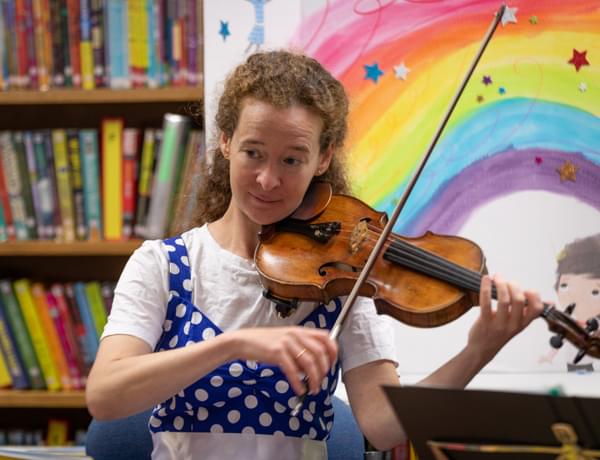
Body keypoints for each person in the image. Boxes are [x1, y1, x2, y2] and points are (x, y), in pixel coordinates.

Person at [86, 50, 544, 460]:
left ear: (322, 159)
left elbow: (383, 428)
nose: (267, 180)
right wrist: (235, 344)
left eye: (292, 159)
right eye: (253, 152)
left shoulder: (343, 277)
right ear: (225, 141)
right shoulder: (164, 264)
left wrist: (479, 349)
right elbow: (106, 396)